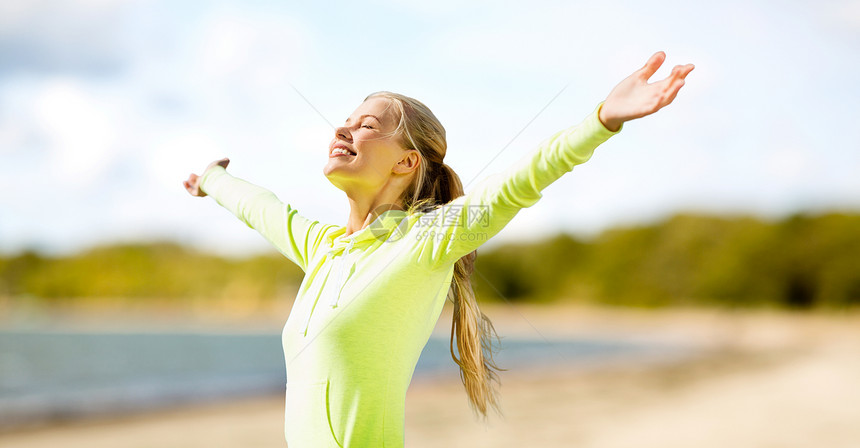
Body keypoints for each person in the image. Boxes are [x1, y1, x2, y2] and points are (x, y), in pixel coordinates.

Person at [183, 51, 694, 447]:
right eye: (346, 120)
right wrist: (212, 179)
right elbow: (264, 207)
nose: (343, 128)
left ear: (406, 163)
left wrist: (602, 119)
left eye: (367, 125)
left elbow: (517, 183)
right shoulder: (323, 249)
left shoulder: (425, 242)